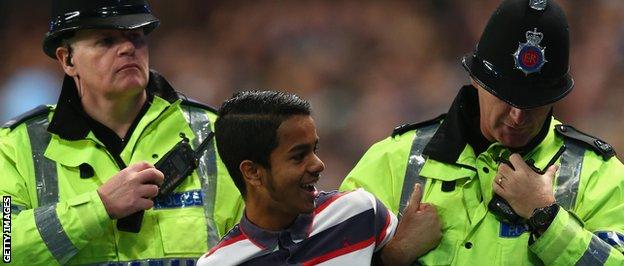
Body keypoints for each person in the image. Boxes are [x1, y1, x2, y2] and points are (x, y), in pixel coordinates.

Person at [341, 0, 624, 265]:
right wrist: (393, 255)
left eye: (534, 103)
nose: (518, 116)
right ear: (476, 79)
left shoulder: (598, 175)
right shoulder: (393, 161)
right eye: (506, 98)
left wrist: (548, 220)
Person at [0, 0, 243, 264]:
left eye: (136, 37)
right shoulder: (17, 146)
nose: (128, 48)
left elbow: (261, 242)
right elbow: (6, 247)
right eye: (106, 41)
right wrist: (99, 207)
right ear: (67, 59)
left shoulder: (212, 133)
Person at [197, 91, 441, 265]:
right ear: (252, 172)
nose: (318, 164)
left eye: (315, 149)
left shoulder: (359, 213)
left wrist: (397, 254)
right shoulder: (220, 262)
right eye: (298, 156)